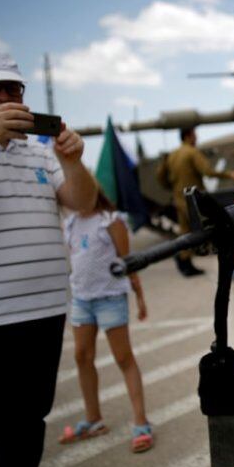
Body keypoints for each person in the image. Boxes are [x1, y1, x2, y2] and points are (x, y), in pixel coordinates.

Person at [0, 46, 98, 467]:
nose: (4, 97)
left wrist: (72, 161)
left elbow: (83, 202)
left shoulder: (41, 147)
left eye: (13, 88)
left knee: (26, 430)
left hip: (42, 315)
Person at [59, 189, 153, 452]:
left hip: (110, 297)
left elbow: (128, 262)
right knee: (81, 356)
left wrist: (140, 297)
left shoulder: (111, 220)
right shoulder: (71, 222)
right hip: (81, 300)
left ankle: (141, 422)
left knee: (123, 357)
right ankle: (93, 419)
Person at [158, 126, 234, 276]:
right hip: (193, 201)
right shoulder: (192, 152)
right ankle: (228, 262)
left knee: (184, 233)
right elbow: (208, 172)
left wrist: (172, 188)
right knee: (213, 227)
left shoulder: (172, 155)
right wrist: (231, 175)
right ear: (188, 136)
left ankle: (185, 264)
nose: (196, 138)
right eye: (194, 135)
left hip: (178, 198)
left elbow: (161, 177)